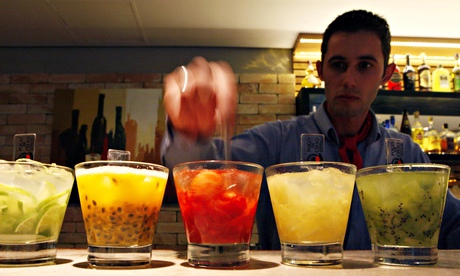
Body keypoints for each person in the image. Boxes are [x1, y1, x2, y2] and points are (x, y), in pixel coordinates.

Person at [161, 10, 460, 250]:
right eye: (339, 65)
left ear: (386, 74)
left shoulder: (408, 152)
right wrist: (189, 131)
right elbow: (204, 169)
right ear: (320, 70)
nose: (350, 80)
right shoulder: (277, 139)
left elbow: (450, 225)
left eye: (365, 66)